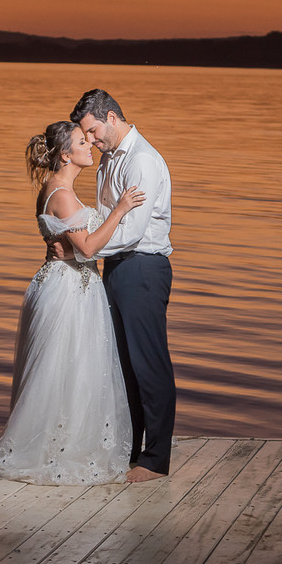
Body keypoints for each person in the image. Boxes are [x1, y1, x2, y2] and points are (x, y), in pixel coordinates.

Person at [0, 120, 145, 486]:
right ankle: (53, 449)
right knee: (61, 369)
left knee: (71, 369)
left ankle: (65, 440)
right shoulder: (60, 194)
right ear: (65, 154)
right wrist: (121, 209)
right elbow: (88, 248)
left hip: (72, 285)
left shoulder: (57, 188)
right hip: (67, 289)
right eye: (81, 141)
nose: (88, 144)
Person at [69, 89, 176, 483]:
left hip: (143, 267)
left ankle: (155, 459)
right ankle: (128, 450)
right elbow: (105, 217)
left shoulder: (143, 160)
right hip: (115, 267)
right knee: (122, 366)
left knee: (149, 364)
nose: (92, 141)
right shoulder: (109, 161)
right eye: (87, 134)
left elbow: (130, 232)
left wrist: (85, 249)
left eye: (94, 131)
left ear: (111, 117)